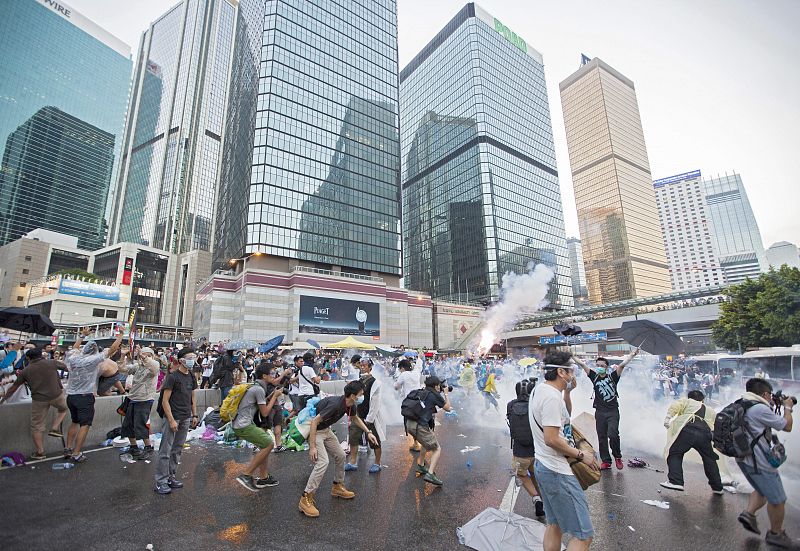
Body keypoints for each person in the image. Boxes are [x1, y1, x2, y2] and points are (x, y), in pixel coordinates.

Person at [530, 351, 596, 551]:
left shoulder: (541, 390)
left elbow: (564, 416)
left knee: (555, 525)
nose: (573, 375)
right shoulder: (551, 397)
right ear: (561, 372)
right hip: (557, 471)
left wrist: (568, 393)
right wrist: (581, 455)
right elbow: (551, 439)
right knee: (583, 536)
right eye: (571, 371)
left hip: (544, 466)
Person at [298, 380, 376, 518]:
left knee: (340, 455)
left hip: (326, 430)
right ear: (353, 396)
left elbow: (355, 418)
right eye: (361, 393)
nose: (363, 395)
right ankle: (306, 498)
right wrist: (312, 447)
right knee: (323, 462)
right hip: (315, 431)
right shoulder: (335, 405)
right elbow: (314, 422)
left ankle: (337, 486)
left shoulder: (350, 405)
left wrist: (368, 432)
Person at [735, 378, 795, 548]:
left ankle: (749, 514)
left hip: (744, 458)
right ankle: (776, 534)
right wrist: (788, 407)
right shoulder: (760, 408)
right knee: (778, 499)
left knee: (761, 490)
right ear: (765, 394)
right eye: (770, 395)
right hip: (759, 461)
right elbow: (786, 425)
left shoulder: (743, 403)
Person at [573, 348, 639, 471]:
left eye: (602, 366)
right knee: (602, 437)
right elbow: (582, 364)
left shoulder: (613, 377)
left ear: (607, 367)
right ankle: (606, 461)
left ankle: (617, 456)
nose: (599, 367)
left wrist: (632, 355)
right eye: (597, 365)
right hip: (599, 412)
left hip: (613, 411)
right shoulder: (594, 376)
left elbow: (622, 365)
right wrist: (572, 355)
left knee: (613, 434)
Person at [64, 328, 123, 463]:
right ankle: (77, 452)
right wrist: (120, 336)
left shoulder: (74, 359)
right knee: (85, 425)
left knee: (74, 421)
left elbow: (74, 348)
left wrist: (82, 336)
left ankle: (68, 448)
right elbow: (113, 349)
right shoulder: (93, 360)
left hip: (71, 396)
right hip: (85, 396)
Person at [0, 347, 69, 460]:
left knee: (36, 426)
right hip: (56, 395)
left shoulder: (25, 371)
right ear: (41, 355)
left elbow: (13, 388)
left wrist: (3, 400)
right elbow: (67, 368)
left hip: (39, 400)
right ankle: (55, 427)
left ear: (28, 358)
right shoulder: (51, 362)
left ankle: (40, 452)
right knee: (63, 409)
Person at [233, 364, 284, 491]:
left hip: (242, 423)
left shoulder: (255, 386)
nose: (274, 376)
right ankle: (246, 474)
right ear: (264, 376)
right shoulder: (259, 389)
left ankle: (263, 477)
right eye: (272, 373)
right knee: (268, 444)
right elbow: (265, 412)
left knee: (264, 444)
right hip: (243, 425)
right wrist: (275, 396)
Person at [660, 390, 723, 494]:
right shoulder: (709, 409)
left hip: (688, 430)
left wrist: (667, 420)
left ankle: (676, 482)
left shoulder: (687, 401)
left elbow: (675, 406)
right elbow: (716, 422)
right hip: (705, 433)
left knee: (675, 453)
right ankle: (717, 487)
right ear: (702, 400)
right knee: (709, 459)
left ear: (690, 397)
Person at [155, 348, 198, 495]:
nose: (193, 359)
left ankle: (170, 477)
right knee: (165, 450)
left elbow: (192, 397)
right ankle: (161, 481)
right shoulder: (173, 377)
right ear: (181, 360)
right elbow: (165, 401)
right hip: (173, 418)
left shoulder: (192, 376)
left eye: (194, 356)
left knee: (177, 449)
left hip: (185, 417)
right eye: (190, 357)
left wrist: (195, 415)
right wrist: (172, 420)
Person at [507, 377, 544, 517]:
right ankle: (542, 499)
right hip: (537, 451)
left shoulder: (510, 405)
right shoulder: (535, 405)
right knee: (536, 474)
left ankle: (535, 498)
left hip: (519, 452)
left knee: (522, 474)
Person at [407, 376, 452, 486]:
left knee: (425, 443)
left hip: (409, 424)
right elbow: (448, 408)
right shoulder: (434, 395)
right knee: (437, 449)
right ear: (437, 386)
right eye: (439, 386)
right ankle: (430, 474)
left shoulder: (421, 392)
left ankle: (421, 465)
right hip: (420, 426)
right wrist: (446, 393)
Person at [118, 347, 160, 461]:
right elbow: (122, 369)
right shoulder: (138, 366)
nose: (144, 357)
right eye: (142, 355)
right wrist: (122, 356)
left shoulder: (154, 365)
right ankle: (133, 447)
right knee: (128, 425)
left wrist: (144, 357)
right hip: (133, 398)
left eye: (147, 355)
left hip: (145, 399)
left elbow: (154, 368)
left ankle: (148, 447)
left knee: (140, 425)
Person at [346, 358, 386, 473]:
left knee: (374, 440)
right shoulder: (359, 380)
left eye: (365, 365)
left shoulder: (375, 383)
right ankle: (353, 462)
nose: (362, 367)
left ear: (370, 367)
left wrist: (370, 419)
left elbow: (375, 403)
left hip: (370, 416)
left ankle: (377, 463)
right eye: (361, 365)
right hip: (357, 415)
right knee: (353, 438)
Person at [395, 359, 423, 452]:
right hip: (419, 401)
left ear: (402, 368)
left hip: (409, 403)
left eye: (400, 369)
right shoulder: (416, 372)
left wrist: (395, 384)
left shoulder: (403, 374)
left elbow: (397, 387)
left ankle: (416, 443)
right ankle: (420, 442)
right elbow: (419, 365)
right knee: (419, 422)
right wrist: (419, 357)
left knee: (410, 423)